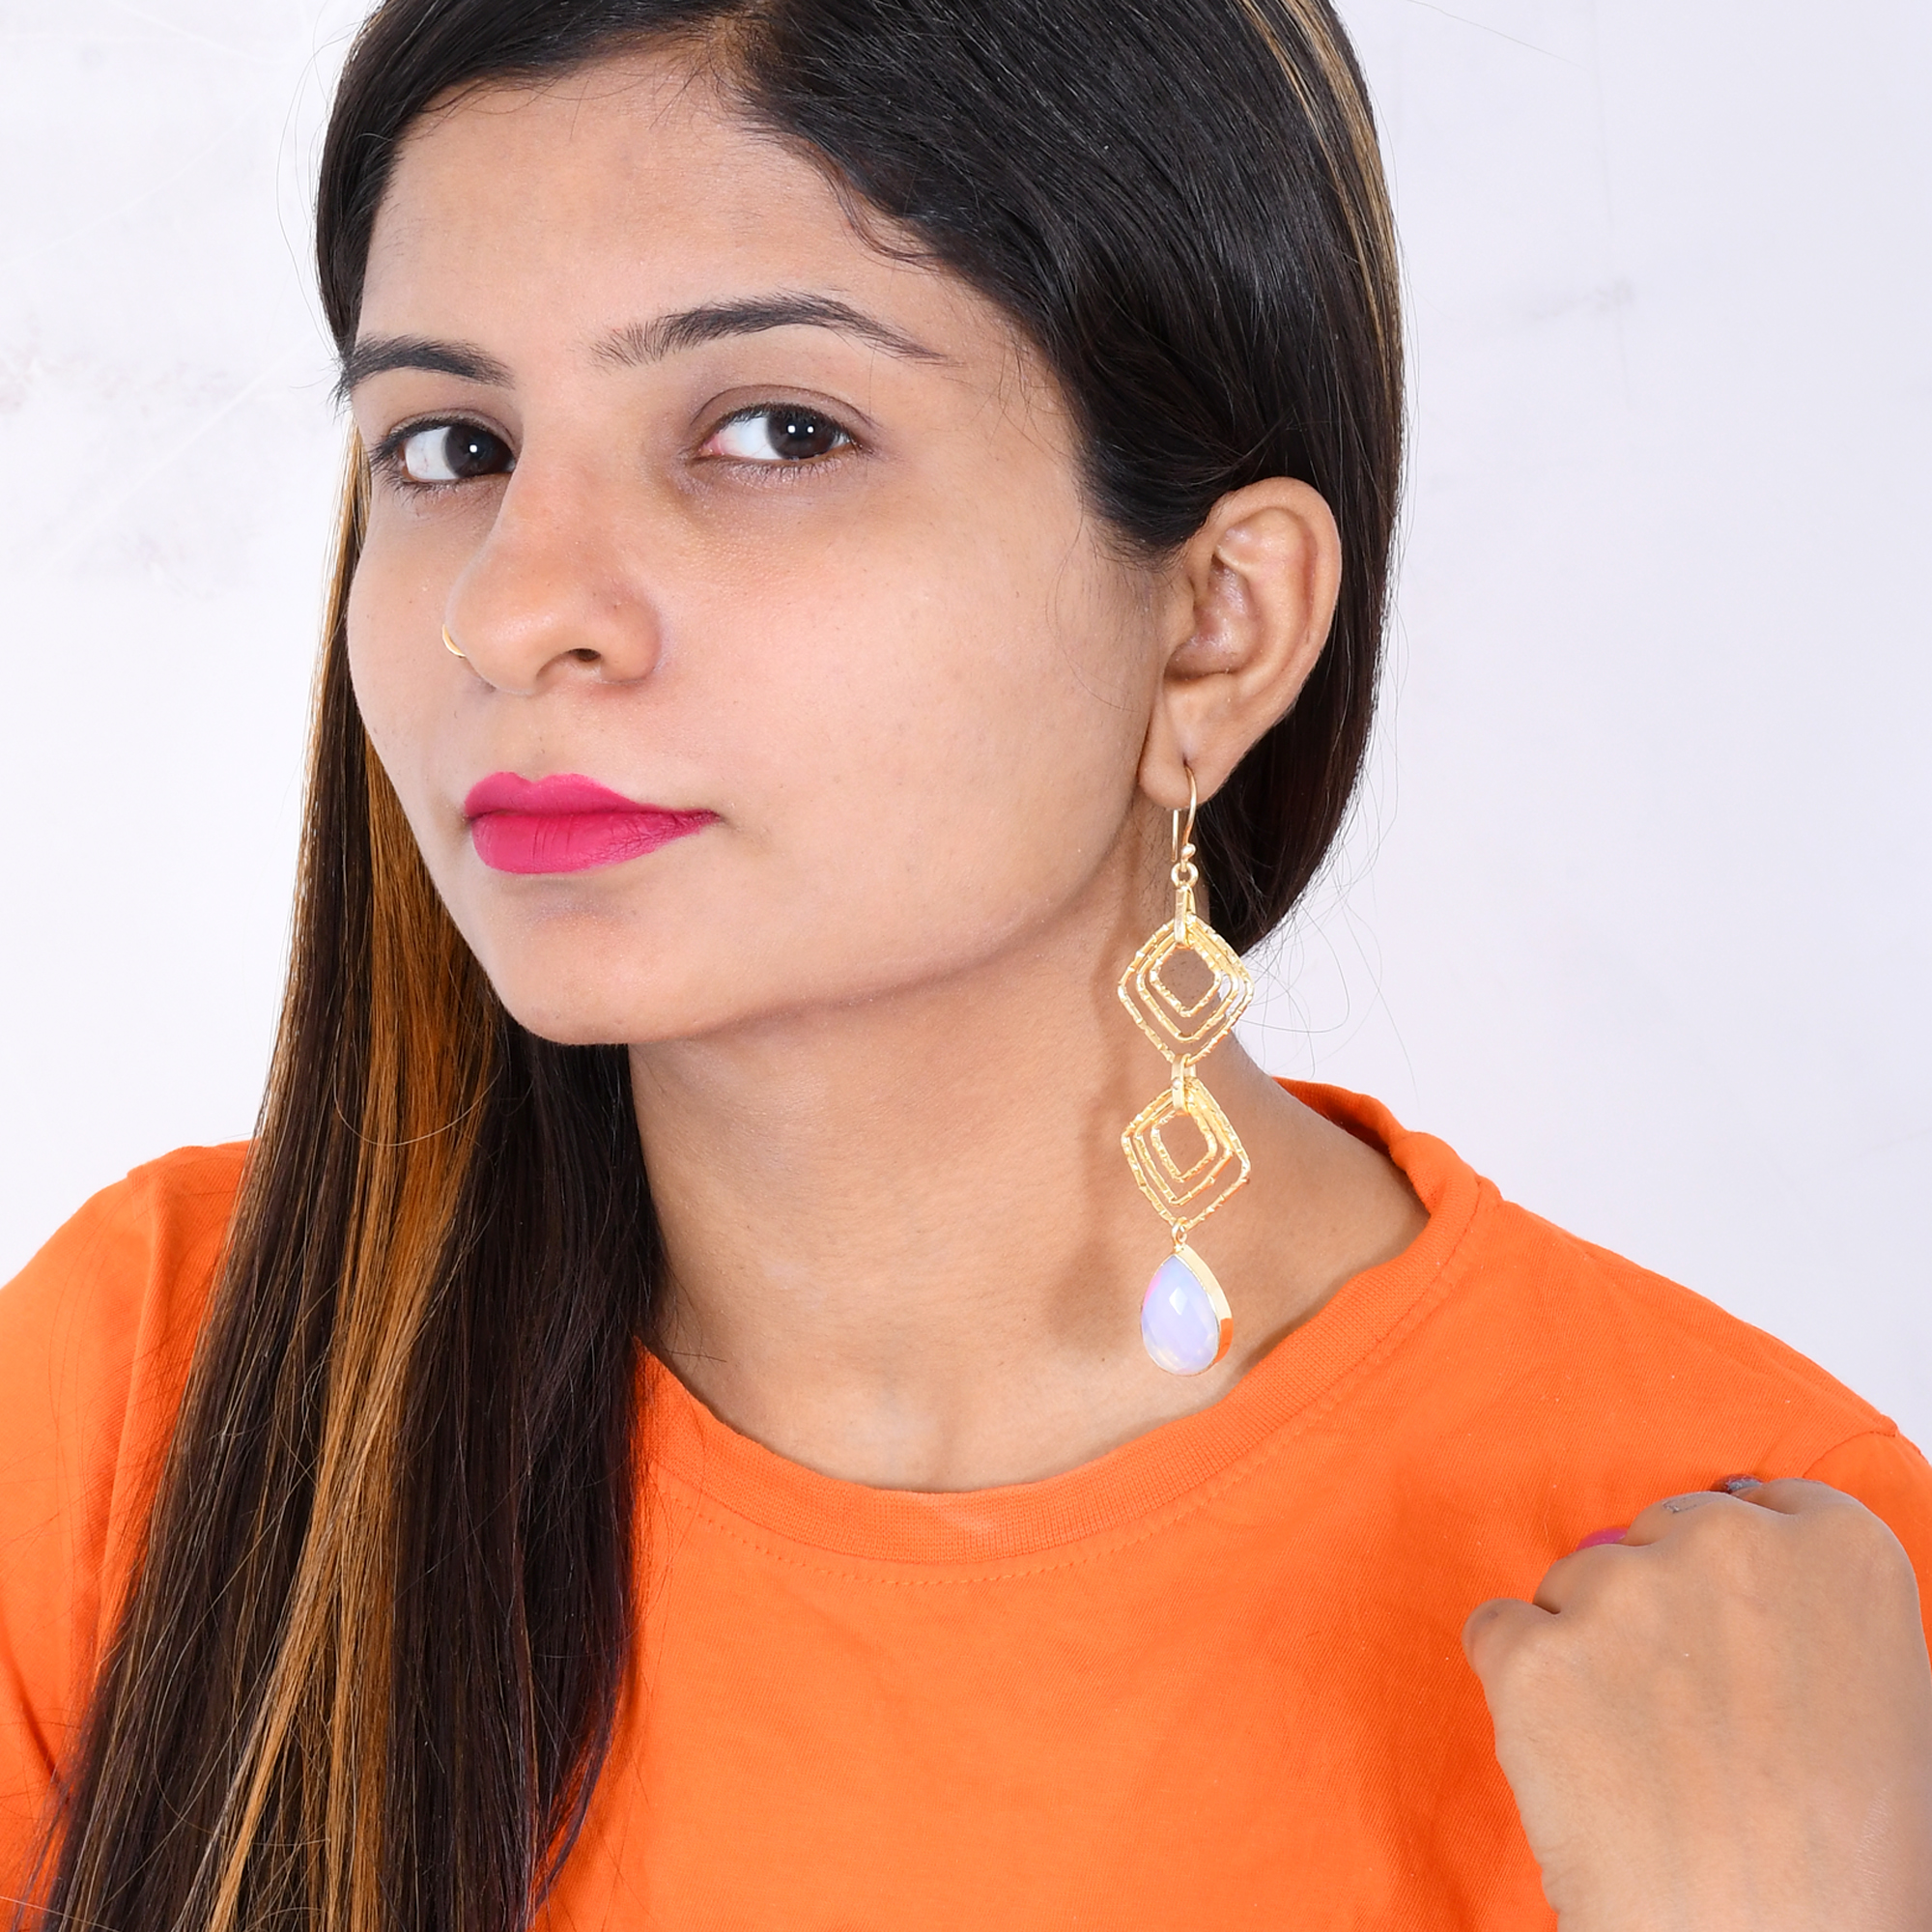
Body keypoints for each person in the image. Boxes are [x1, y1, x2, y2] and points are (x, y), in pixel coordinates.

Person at [3, 1, 1928, 1927]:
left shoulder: (1775, 1616)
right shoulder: (148, 1404)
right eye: (453, 444)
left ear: (1216, 624)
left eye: (776, 432)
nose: (515, 611)